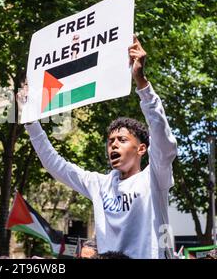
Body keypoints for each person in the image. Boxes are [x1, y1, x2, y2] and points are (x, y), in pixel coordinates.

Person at [18, 36, 177, 259]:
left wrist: (141, 82)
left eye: (122, 140)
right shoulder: (100, 184)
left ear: (141, 149)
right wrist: (30, 120)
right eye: (110, 141)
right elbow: (55, 165)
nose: (113, 144)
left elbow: (164, 142)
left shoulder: (154, 178)